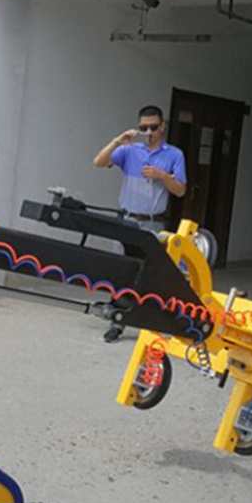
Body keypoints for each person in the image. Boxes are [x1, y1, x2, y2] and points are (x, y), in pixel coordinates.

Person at [92, 104, 187, 343]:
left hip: (152, 222)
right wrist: (117, 141)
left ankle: (153, 322)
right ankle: (118, 321)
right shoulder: (130, 150)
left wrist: (163, 176)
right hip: (126, 219)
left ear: (162, 126)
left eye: (153, 127)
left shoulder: (174, 155)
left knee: (151, 274)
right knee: (122, 271)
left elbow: (181, 190)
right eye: (143, 127)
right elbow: (98, 162)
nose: (149, 132)